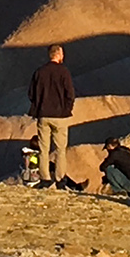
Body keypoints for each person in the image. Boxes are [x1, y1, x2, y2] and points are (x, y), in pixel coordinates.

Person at [27, 45, 74, 186]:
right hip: (60, 116)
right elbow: (70, 94)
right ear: (58, 55)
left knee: (43, 148)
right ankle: (60, 178)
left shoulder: (40, 72)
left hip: (43, 115)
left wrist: (39, 105)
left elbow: (31, 94)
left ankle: (45, 178)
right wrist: (67, 109)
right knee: (60, 149)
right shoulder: (64, 72)